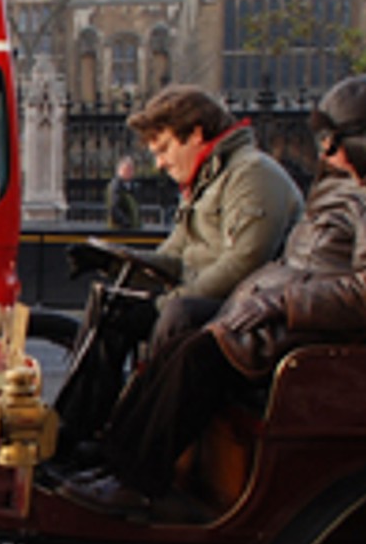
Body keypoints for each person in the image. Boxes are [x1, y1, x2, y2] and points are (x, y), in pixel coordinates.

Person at [59, 76, 366, 522]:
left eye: (331, 142)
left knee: (196, 354)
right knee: (180, 345)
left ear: (363, 142)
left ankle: (137, 481)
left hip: (313, 328)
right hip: (275, 305)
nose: (324, 153)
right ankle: (115, 460)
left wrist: (284, 303)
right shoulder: (358, 178)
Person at [53, 86, 302, 445]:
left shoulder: (252, 173)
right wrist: (116, 261)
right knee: (112, 304)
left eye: (164, 148)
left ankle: (131, 446)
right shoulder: (207, 180)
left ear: (196, 134)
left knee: (178, 312)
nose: (159, 163)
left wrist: (170, 300)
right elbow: (174, 256)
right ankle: (75, 431)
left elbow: (245, 262)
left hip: (248, 309)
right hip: (212, 300)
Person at [105, 155, 141, 229]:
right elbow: (114, 208)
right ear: (120, 170)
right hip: (119, 228)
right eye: (127, 170)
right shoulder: (115, 185)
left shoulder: (133, 185)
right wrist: (126, 222)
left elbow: (135, 206)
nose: (130, 172)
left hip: (133, 227)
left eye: (131, 169)